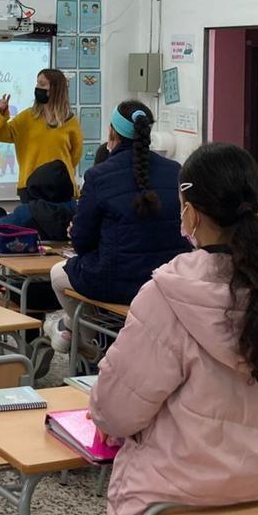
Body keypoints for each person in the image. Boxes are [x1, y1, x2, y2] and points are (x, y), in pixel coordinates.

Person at [89, 143, 258, 515]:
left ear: (189, 213)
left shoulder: (166, 294)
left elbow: (115, 414)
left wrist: (104, 417)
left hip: (173, 499)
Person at [46, 101, 189, 354]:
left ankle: (92, 340)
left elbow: (81, 242)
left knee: (58, 274)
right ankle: (82, 332)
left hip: (116, 281)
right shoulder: (175, 171)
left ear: (112, 133)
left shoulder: (98, 176)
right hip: (168, 280)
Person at [0, 68, 83, 201]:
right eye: (37, 84)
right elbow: (1, 135)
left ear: (55, 89)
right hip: (31, 188)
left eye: (42, 84)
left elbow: (75, 155)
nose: (37, 88)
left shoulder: (71, 121)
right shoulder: (27, 117)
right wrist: (1, 114)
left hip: (60, 188)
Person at [0, 160, 76, 243]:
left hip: (31, 259)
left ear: (35, 189)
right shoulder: (80, 211)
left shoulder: (28, 213)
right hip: (67, 259)